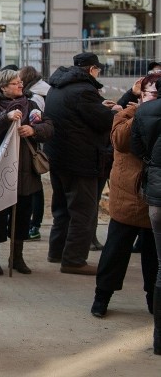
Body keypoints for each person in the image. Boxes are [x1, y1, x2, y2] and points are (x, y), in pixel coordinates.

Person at [90, 73, 160, 318]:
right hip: (128, 195)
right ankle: (102, 297)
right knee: (115, 252)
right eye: (152, 92)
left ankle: (154, 301)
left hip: (154, 197)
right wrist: (142, 113)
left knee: (153, 257)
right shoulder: (127, 115)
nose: (156, 97)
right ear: (141, 94)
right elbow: (120, 141)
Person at [44, 53, 120, 275]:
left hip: (59, 157)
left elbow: (79, 114)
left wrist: (101, 106)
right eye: (98, 70)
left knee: (62, 209)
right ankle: (74, 260)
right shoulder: (84, 90)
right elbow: (102, 121)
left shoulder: (59, 86)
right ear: (92, 69)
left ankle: (57, 252)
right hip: (81, 160)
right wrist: (114, 111)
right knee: (82, 212)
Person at [0, 69, 53, 276]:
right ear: (3, 87)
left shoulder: (31, 105)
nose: (20, 85)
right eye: (15, 83)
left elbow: (48, 127)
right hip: (0, 170)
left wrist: (34, 130)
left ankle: (17, 257)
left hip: (26, 171)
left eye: (20, 82)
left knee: (22, 217)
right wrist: (5, 117)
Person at [131, 82, 161, 355]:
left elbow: (135, 145)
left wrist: (151, 163)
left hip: (154, 193)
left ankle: (159, 341)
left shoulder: (144, 111)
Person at [18, 65, 51, 241]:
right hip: (39, 143)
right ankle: (34, 223)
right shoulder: (44, 91)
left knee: (35, 188)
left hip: (33, 146)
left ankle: (34, 224)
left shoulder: (35, 97)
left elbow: (36, 120)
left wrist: (31, 130)